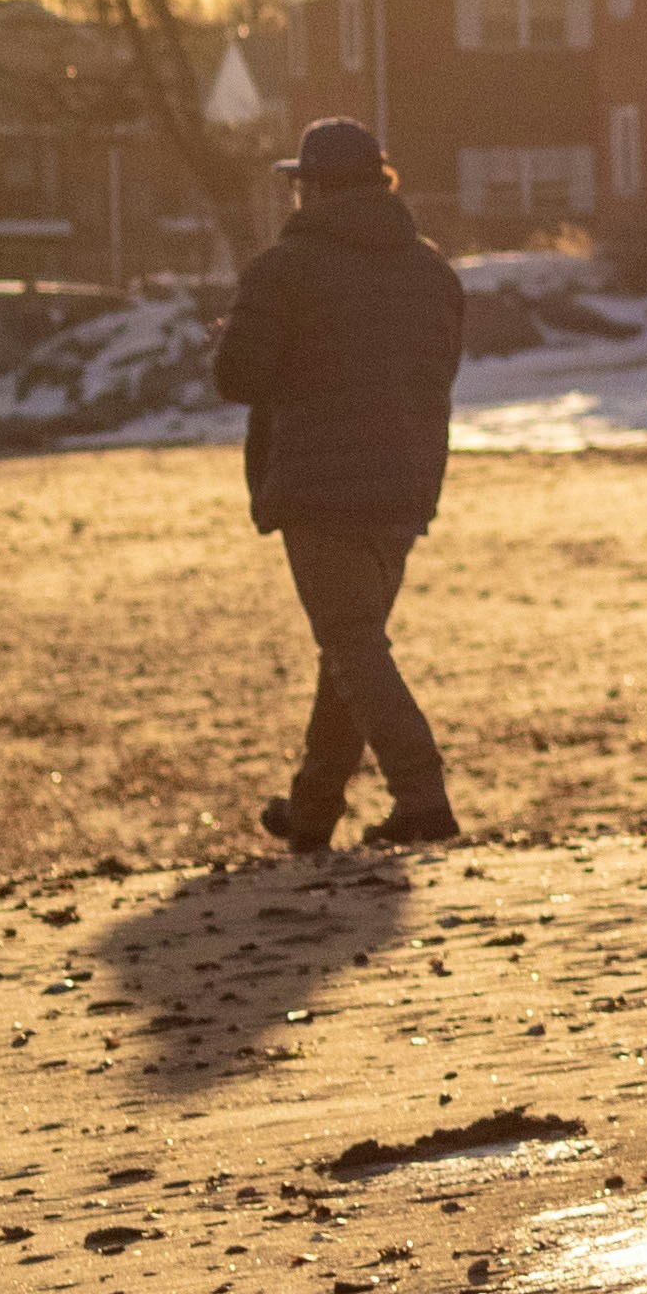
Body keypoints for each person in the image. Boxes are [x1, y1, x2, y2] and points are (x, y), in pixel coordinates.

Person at [209, 115, 467, 851]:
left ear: (312, 189)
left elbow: (239, 378)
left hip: (320, 489)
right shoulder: (433, 272)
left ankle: (423, 797)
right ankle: (312, 810)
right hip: (406, 484)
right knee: (351, 648)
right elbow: (438, 374)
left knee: (352, 646)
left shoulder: (283, 270)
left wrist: (241, 336)